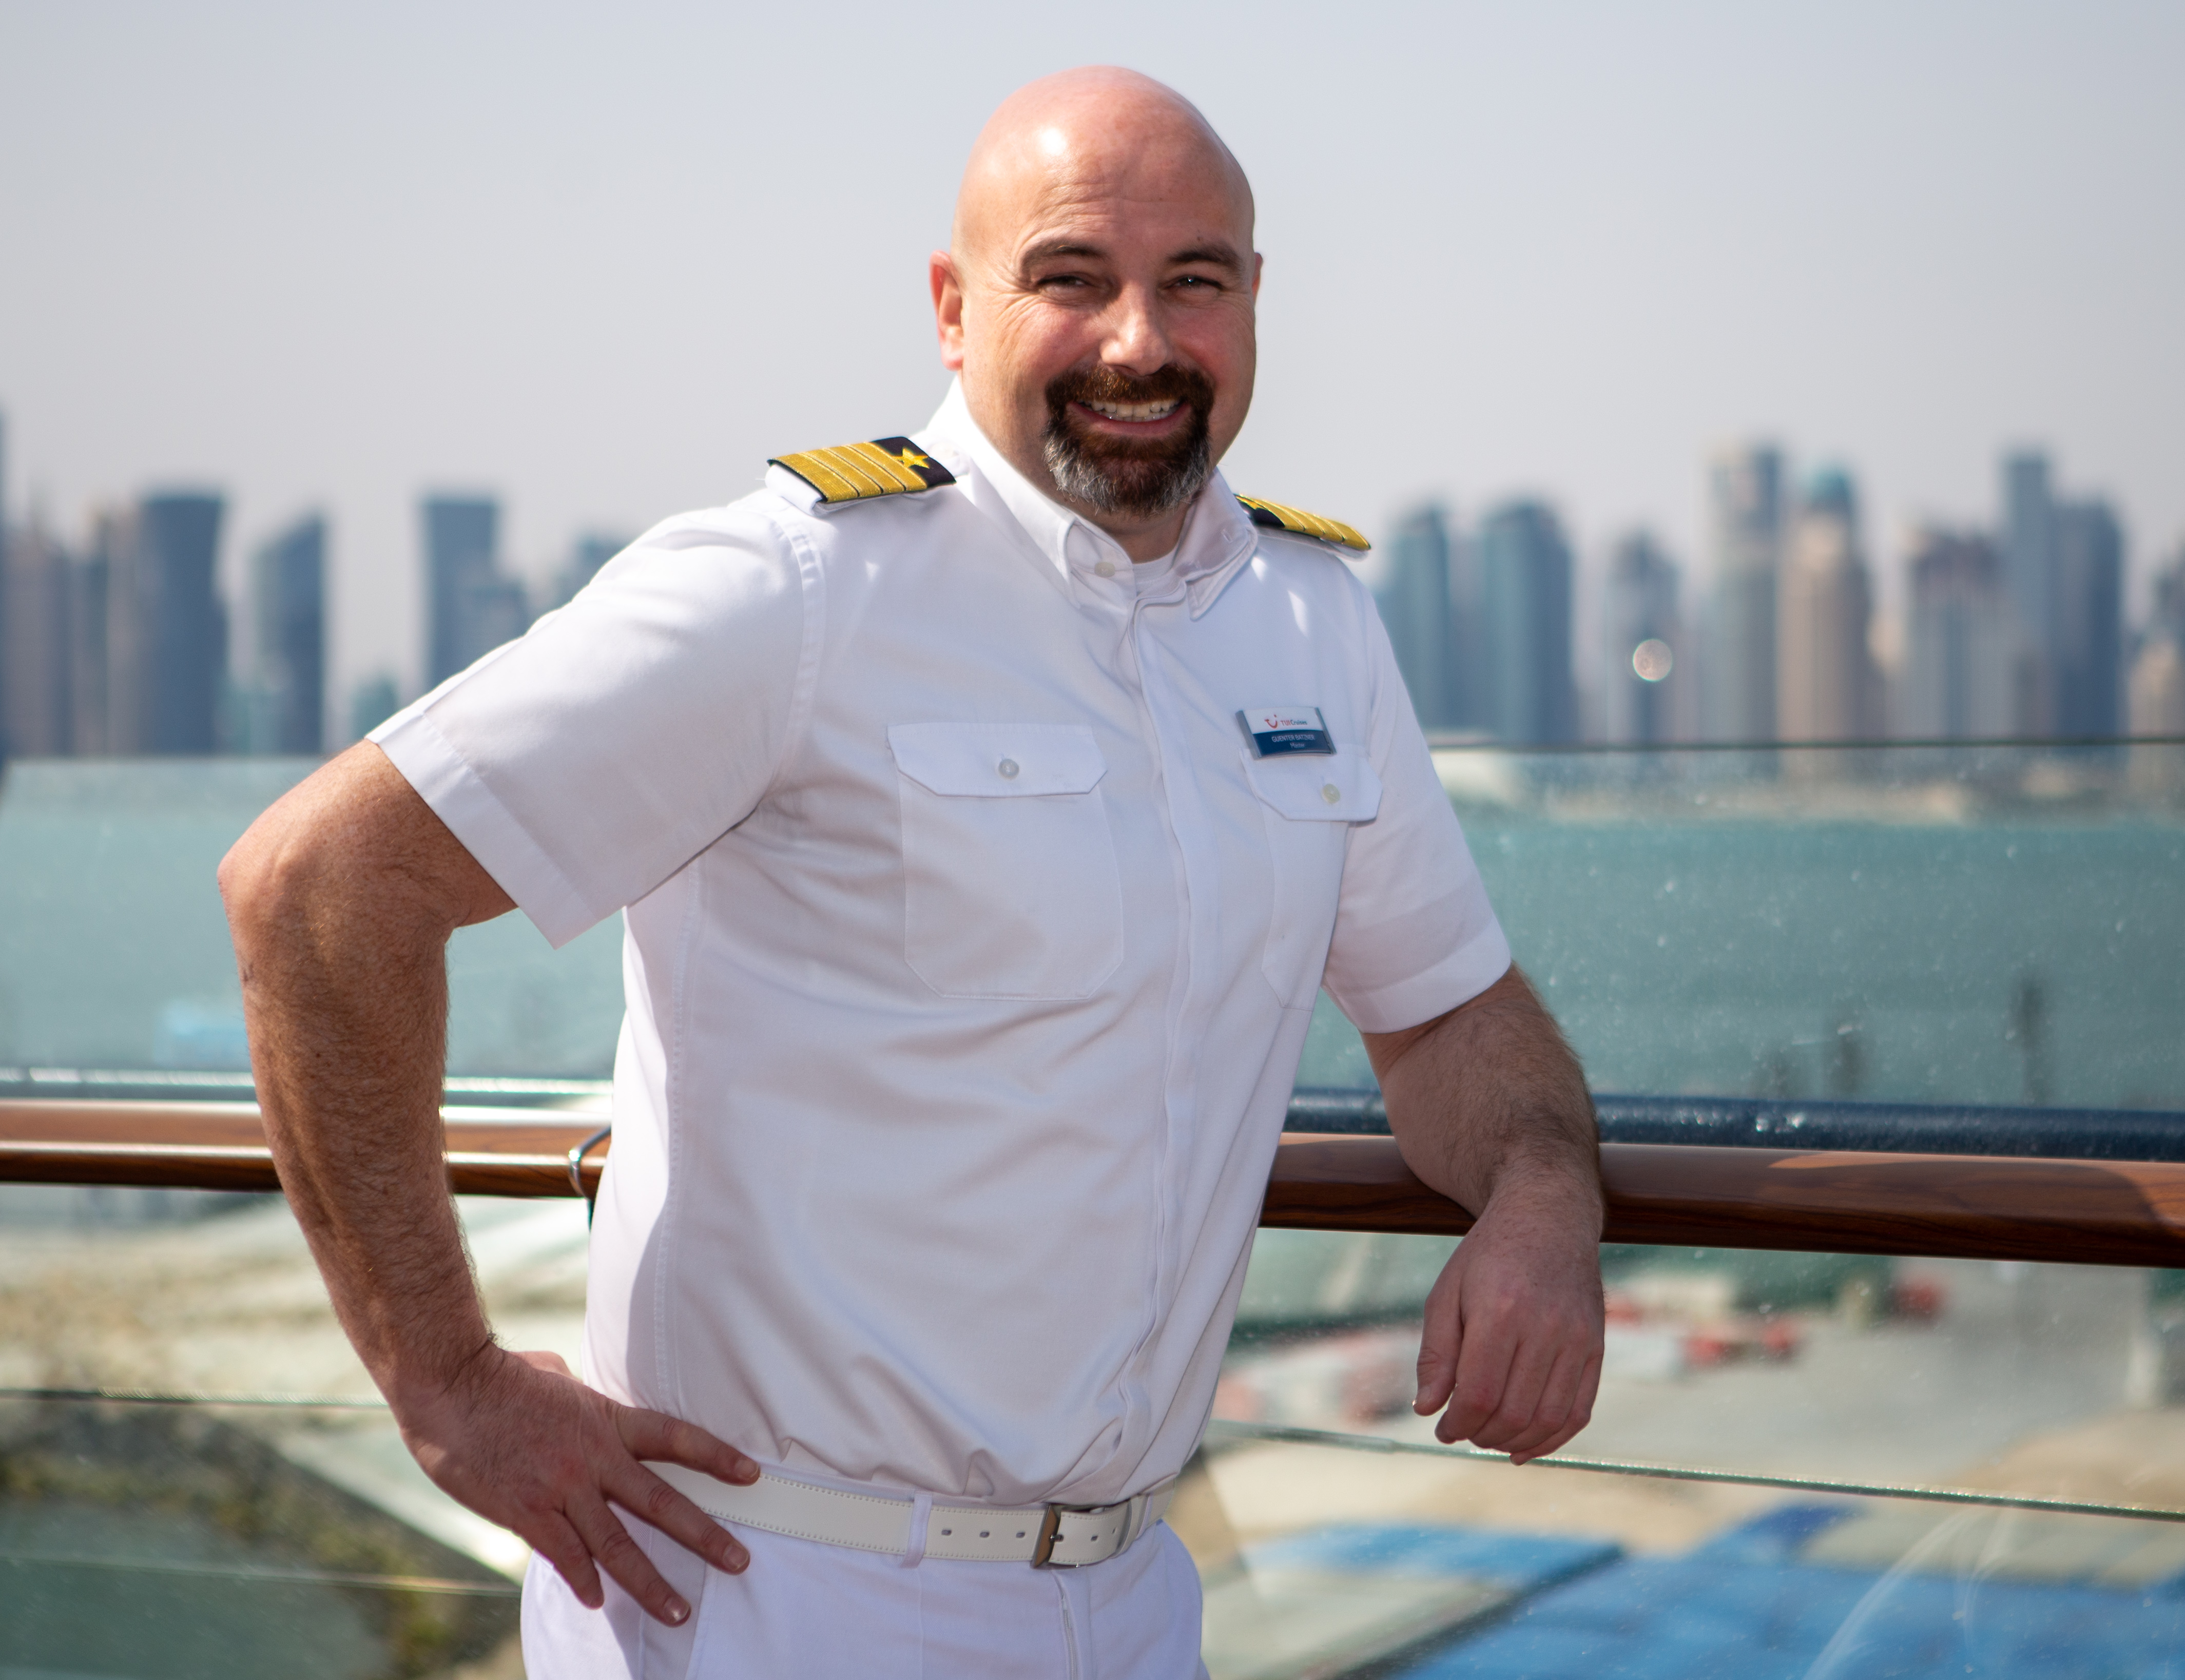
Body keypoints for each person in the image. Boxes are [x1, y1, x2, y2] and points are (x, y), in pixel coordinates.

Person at [220, 66, 1603, 1679]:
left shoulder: (1308, 619)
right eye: (1071, 279)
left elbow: (1448, 1019)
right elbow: (317, 892)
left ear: (1255, 303)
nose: (1139, 342)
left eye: (1194, 283)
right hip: (772, 1594)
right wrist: (445, 1384)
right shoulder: (800, 590)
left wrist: (1545, 1190)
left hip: (1140, 1593)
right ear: (954, 310)